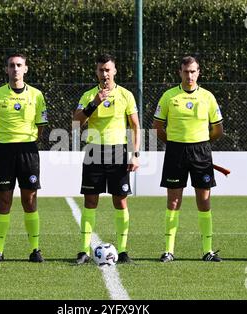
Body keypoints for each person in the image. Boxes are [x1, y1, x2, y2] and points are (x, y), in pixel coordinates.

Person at [152, 56, 224, 263]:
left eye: (193, 72)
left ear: (199, 72)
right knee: (173, 201)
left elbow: (218, 129)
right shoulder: (169, 96)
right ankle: (168, 251)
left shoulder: (208, 97)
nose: (189, 75)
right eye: (186, 71)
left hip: (201, 151)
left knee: (204, 200)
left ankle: (208, 251)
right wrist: (174, 143)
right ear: (180, 73)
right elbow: (157, 127)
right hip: (175, 152)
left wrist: (201, 143)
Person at [73, 53, 140, 264]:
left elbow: (135, 126)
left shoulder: (126, 95)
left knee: (120, 201)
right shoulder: (88, 96)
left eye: (108, 70)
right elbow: (76, 123)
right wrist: (94, 104)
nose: (105, 74)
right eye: (101, 70)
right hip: (94, 151)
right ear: (96, 72)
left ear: (115, 71)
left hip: (118, 151)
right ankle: (84, 251)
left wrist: (135, 154)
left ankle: (122, 251)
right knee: (90, 200)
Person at [0, 53, 48, 263]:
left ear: (26, 69)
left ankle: (35, 249)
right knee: (4, 202)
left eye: (19, 65)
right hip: (4, 152)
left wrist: (25, 141)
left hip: (28, 151)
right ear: (6, 69)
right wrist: (2, 143)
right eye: (12, 65)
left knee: (29, 200)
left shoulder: (37, 95)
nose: (16, 69)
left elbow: (41, 126)